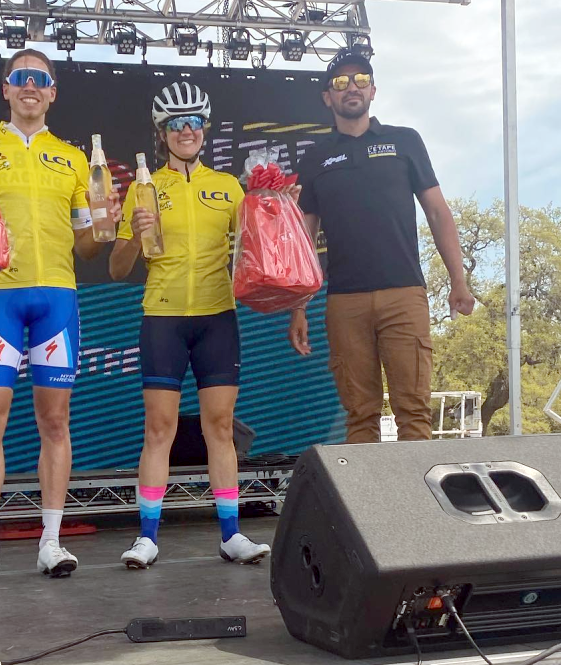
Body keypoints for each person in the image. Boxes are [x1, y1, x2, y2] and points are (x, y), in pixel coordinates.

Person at [0, 49, 121, 583]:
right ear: (5, 89)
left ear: (53, 93)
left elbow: (89, 249)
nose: (30, 86)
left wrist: (105, 225)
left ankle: (51, 543)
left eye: (41, 79)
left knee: (55, 421)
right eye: (20, 78)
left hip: (57, 295)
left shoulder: (76, 159)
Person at [108, 82, 273, 568]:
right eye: (176, 124)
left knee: (219, 427)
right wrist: (134, 238)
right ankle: (147, 537)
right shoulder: (145, 188)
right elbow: (117, 269)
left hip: (217, 317)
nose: (186, 131)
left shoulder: (228, 187)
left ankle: (231, 534)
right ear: (162, 133)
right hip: (162, 316)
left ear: (204, 129)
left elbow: (258, 249)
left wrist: (273, 202)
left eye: (194, 123)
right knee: (158, 428)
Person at [291, 49, 475, 443]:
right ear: (328, 97)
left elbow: (438, 213)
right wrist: (299, 306)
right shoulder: (315, 157)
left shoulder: (405, 141)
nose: (351, 88)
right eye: (340, 83)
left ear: (373, 90)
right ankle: (365, 507)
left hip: (404, 293)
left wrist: (458, 280)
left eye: (360, 80)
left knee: (414, 413)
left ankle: (420, 506)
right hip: (344, 301)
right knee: (359, 416)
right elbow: (303, 239)